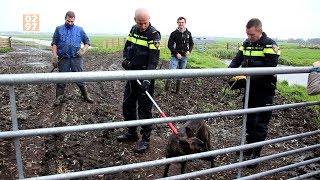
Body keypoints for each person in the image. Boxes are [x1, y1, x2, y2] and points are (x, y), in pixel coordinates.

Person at [228, 18, 280, 168]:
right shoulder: (246, 43)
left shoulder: (270, 44)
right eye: (247, 34)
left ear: (260, 31)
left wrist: (247, 73)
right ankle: (249, 147)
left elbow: (270, 66)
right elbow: (237, 59)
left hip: (264, 89)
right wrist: (228, 73)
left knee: (261, 122)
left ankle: (256, 153)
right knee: (249, 118)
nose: (249, 37)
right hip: (250, 88)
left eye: (251, 34)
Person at [117, 8, 161, 153]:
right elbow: (127, 47)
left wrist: (147, 79)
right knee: (128, 103)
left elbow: (153, 60)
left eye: (145, 23)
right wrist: (125, 60)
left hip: (145, 76)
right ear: (134, 20)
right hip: (132, 74)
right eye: (140, 23)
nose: (143, 26)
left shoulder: (154, 34)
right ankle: (132, 132)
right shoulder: (133, 30)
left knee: (144, 108)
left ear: (149, 19)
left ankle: (146, 139)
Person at [51, 11, 93, 106]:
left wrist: (83, 50)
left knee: (79, 77)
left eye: (72, 21)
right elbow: (54, 43)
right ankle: (59, 98)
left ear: (74, 20)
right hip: (63, 58)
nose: (70, 23)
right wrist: (54, 56)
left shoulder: (80, 30)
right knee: (62, 78)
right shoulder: (58, 29)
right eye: (68, 21)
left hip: (76, 58)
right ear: (65, 19)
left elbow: (87, 42)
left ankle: (85, 95)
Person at [164, 17, 194, 94]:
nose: (181, 24)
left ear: (185, 23)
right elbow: (169, 45)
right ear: (177, 23)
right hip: (175, 56)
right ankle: (166, 91)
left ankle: (178, 91)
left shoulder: (188, 33)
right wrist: (176, 53)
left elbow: (191, 43)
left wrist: (189, 51)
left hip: (184, 56)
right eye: (179, 22)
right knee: (171, 72)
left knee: (181, 73)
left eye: (182, 22)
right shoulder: (174, 33)